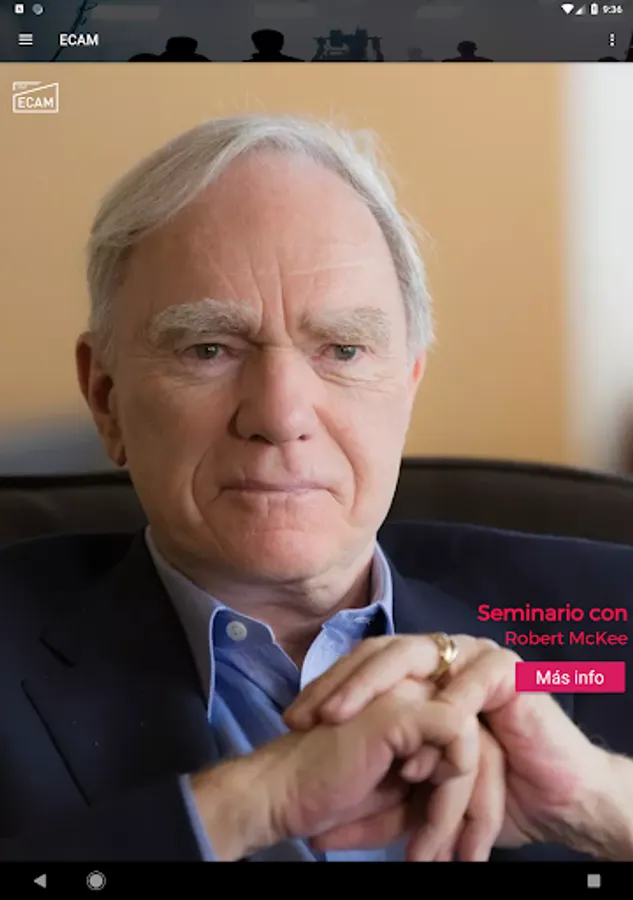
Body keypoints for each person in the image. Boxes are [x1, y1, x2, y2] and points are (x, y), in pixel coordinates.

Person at [1, 113, 632, 863]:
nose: (279, 416)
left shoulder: (603, 619)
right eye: (208, 348)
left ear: (407, 385)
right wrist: (245, 805)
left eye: (342, 349)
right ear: (106, 399)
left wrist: (600, 802)